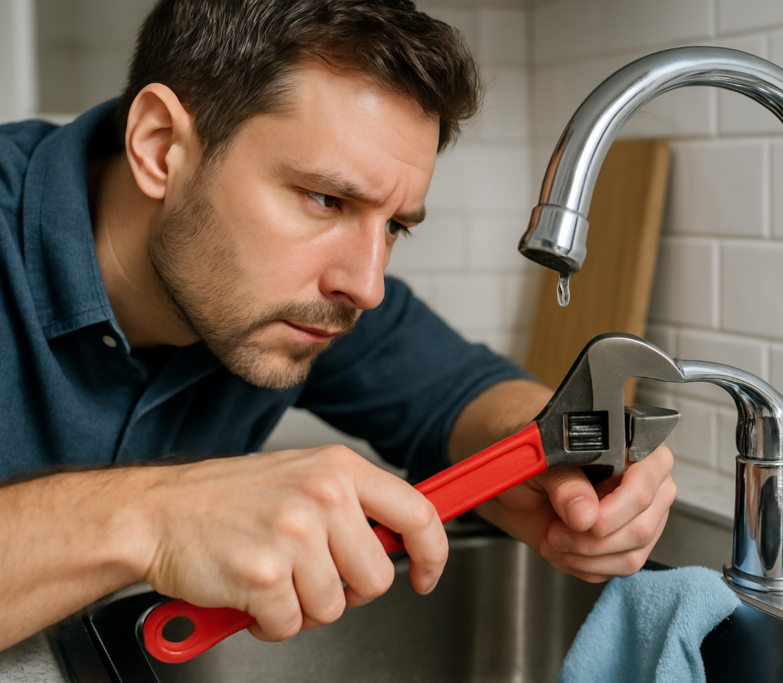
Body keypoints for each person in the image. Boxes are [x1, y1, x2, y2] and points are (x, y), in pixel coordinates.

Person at [0, 0, 677, 651]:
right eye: (326, 199)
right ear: (159, 146)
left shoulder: (295, 302)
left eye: (395, 228)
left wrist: (559, 454)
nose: (367, 285)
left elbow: (461, 396)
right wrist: (156, 516)